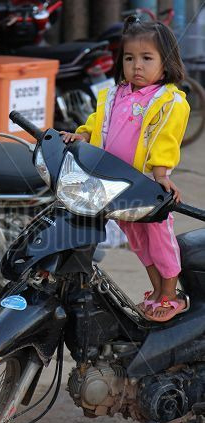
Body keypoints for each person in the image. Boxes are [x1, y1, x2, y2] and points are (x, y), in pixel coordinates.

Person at [60, 17, 190, 322]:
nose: (137, 66)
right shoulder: (116, 93)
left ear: (166, 62)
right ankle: (156, 290)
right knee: (137, 240)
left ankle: (171, 295)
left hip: (146, 183)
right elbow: (98, 122)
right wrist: (82, 134)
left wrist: (162, 176)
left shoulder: (168, 101)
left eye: (147, 58)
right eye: (130, 58)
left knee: (159, 238)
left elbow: (166, 141)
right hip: (115, 184)